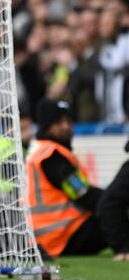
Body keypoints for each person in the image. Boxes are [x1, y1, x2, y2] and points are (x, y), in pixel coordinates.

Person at [26, 98, 107, 257]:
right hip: (63, 234)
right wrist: (115, 200)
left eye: (69, 121)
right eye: (59, 122)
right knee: (113, 215)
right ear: (47, 125)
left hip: (44, 235)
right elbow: (83, 194)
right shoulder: (51, 156)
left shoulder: (38, 150)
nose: (66, 127)